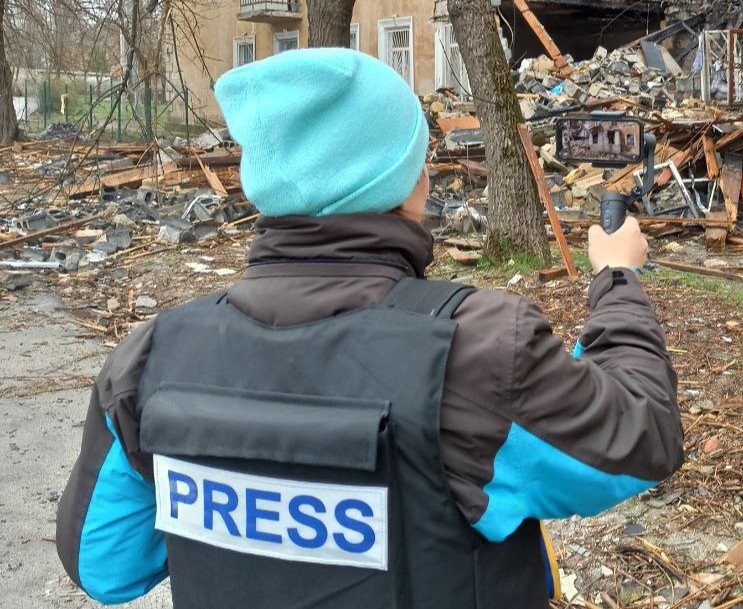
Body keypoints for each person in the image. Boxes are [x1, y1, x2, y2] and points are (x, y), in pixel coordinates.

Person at [56, 48, 683, 609]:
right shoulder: (479, 349)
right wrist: (617, 278)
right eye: (418, 161)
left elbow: (105, 567)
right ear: (406, 185)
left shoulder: (151, 358)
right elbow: (641, 438)